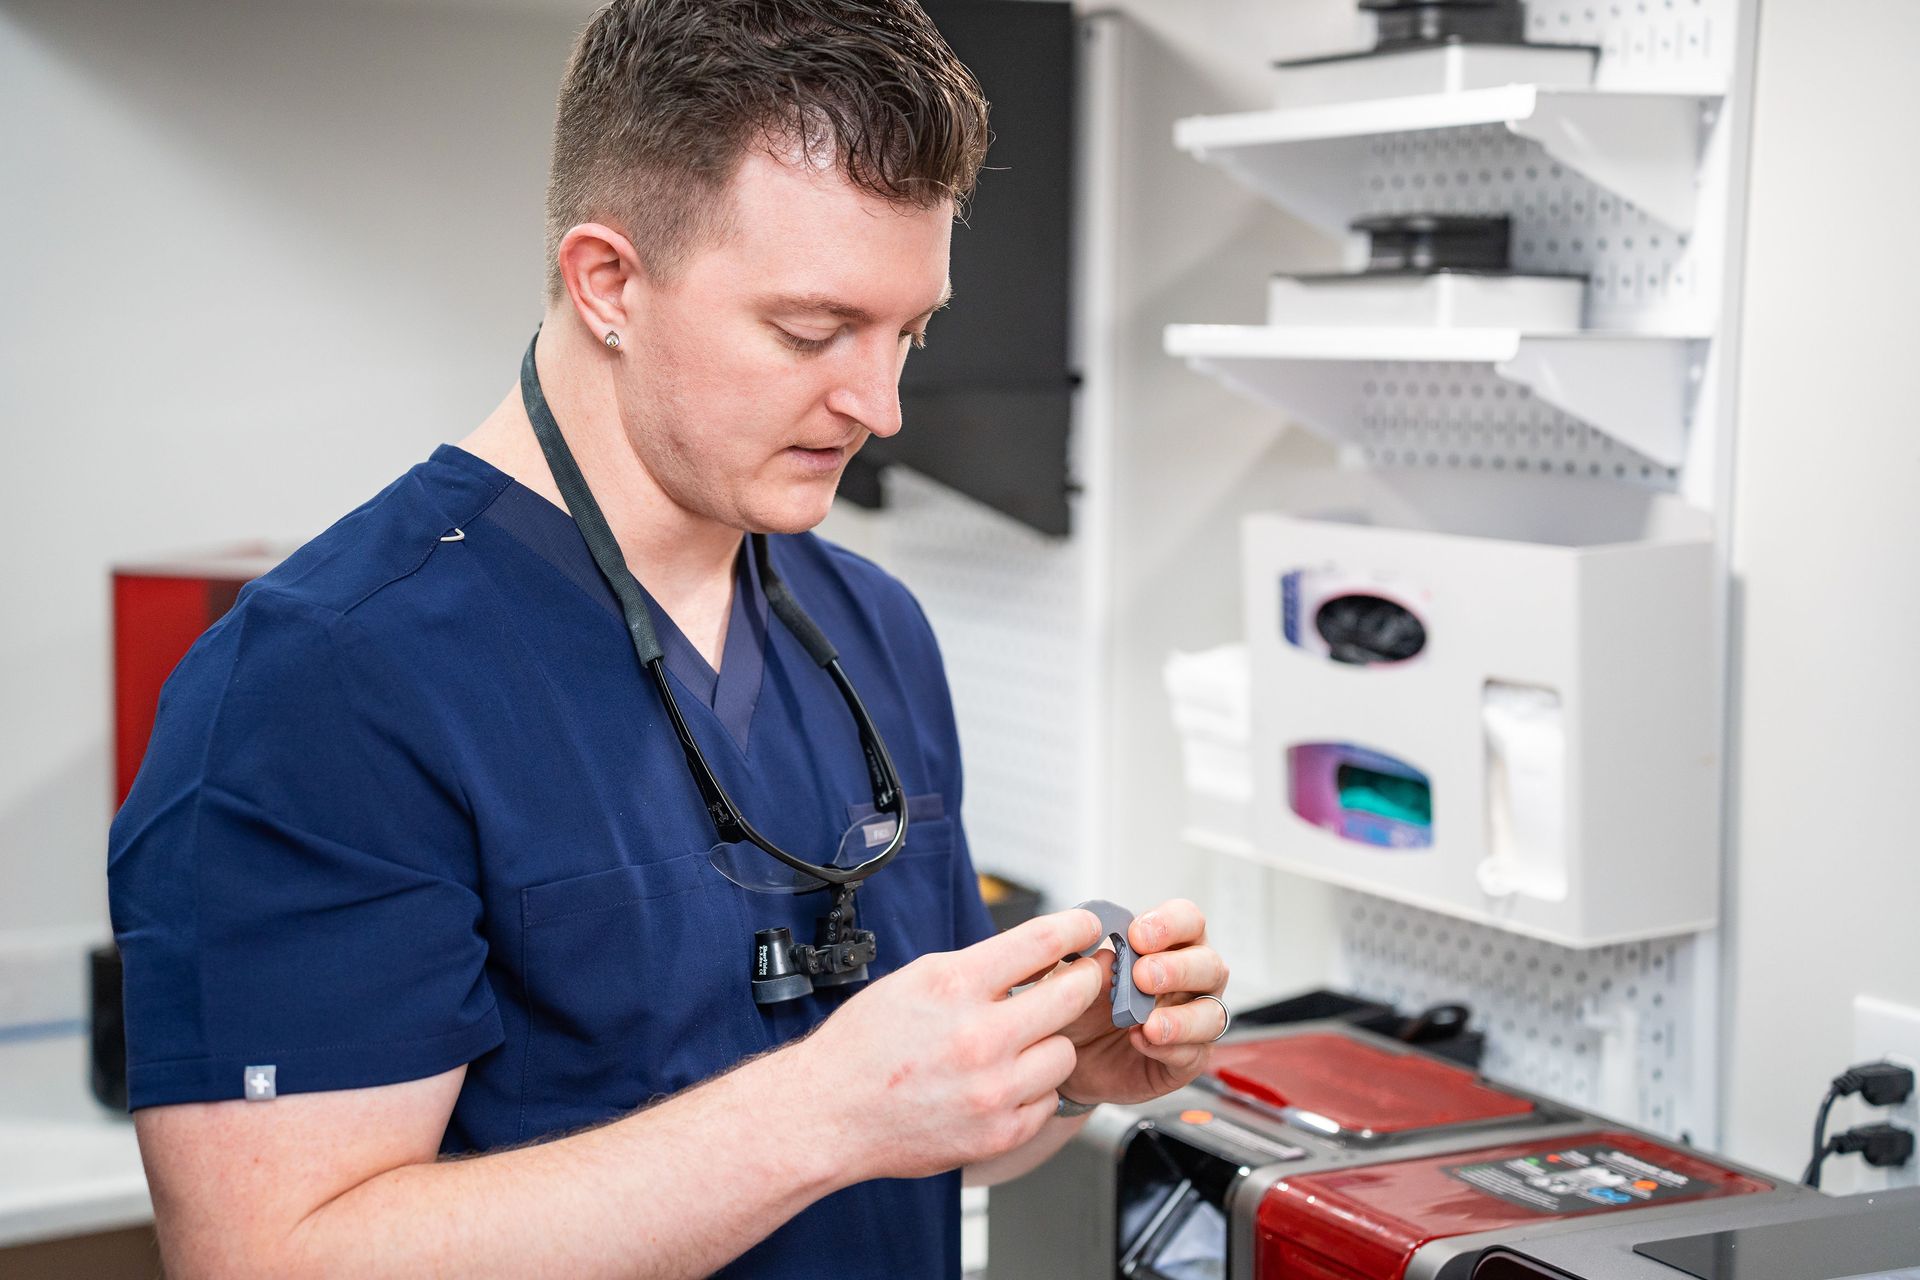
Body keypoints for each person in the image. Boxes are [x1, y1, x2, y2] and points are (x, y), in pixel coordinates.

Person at [106, 1, 1230, 1275]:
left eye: (910, 331)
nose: (880, 403)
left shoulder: (874, 630)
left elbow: (916, 1146)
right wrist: (821, 1109)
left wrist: (1059, 1075)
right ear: (609, 284)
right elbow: (268, 1260)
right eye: (812, 332)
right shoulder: (322, 683)